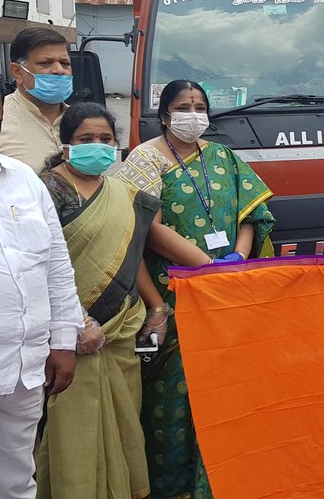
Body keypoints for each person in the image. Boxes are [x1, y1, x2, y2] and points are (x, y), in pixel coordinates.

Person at [115, 79, 277, 498]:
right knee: (175, 401)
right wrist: (205, 268)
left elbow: (251, 212)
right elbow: (143, 229)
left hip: (228, 292)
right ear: (166, 114)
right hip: (175, 293)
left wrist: (238, 259)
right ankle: (177, 488)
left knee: (228, 391)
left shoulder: (222, 155)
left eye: (200, 105)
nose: (194, 113)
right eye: (184, 106)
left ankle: (226, 480)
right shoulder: (143, 160)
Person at [33, 103, 164, 499]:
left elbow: (130, 255)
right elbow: (39, 266)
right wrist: (77, 322)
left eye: (106, 140)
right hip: (69, 333)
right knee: (68, 424)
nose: (98, 146)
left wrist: (157, 307)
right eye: (86, 140)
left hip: (120, 331)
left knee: (124, 421)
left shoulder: (123, 192)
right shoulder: (44, 189)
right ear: (66, 143)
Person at [0, 59, 83, 498]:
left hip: (25, 370)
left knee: (14, 482)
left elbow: (56, 266)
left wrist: (63, 340)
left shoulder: (22, 180)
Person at [0, 27, 73, 172]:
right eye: (45, 63)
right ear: (17, 72)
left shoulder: (82, 120)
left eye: (65, 63)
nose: (59, 70)